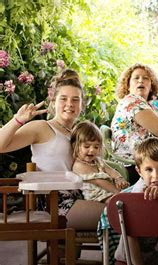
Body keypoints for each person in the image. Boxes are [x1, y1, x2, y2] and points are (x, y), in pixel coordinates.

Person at [0, 69, 105, 229]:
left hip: (82, 195)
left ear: (81, 104)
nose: (69, 104)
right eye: (63, 99)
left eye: (75, 100)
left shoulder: (79, 133)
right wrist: (17, 120)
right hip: (55, 202)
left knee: (127, 209)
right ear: (53, 102)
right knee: (120, 215)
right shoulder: (42, 127)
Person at [114, 137, 158, 265]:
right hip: (129, 259)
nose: (156, 176)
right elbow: (131, 235)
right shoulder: (138, 194)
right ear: (139, 171)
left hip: (155, 255)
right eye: (149, 170)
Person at [111, 63, 158, 185]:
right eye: (136, 78)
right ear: (128, 85)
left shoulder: (150, 107)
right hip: (134, 168)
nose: (141, 81)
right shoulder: (132, 101)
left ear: (151, 85)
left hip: (149, 164)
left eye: (146, 78)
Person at [71, 121, 129, 203]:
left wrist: (119, 179)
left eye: (96, 147)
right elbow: (99, 182)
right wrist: (118, 193)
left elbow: (111, 171)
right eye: (87, 146)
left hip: (109, 191)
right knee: (122, 203)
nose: (92, 150)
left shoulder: (97, 160)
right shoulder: (79, 166)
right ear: (75, 146)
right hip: (98, 198)